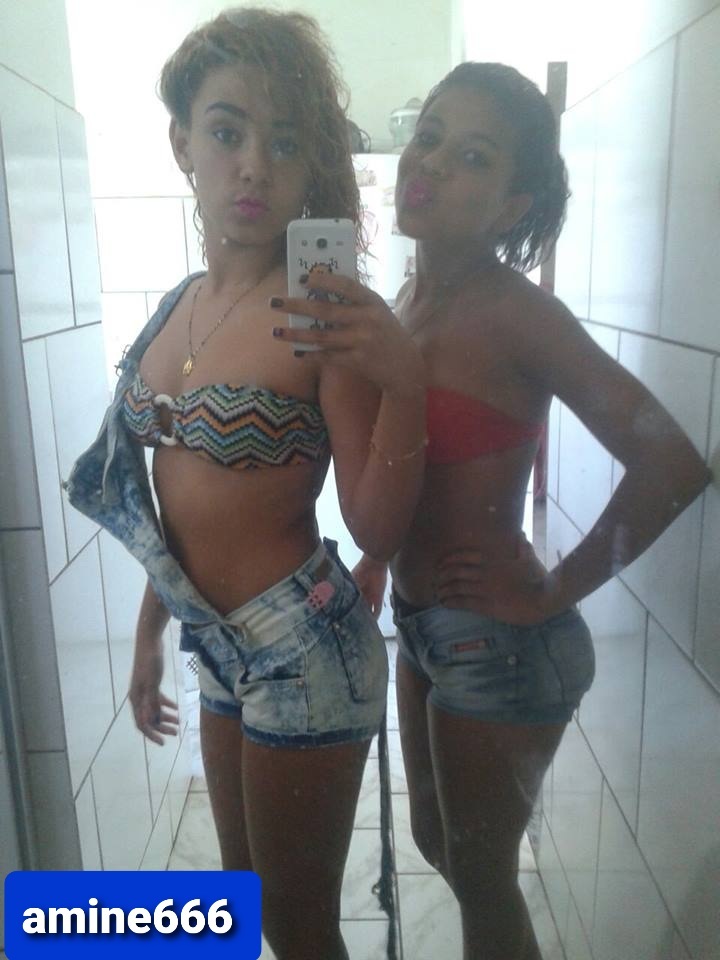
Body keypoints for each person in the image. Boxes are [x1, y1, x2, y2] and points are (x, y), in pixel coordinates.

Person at [67, 9, 426, 960]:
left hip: (305, 648)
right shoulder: (178, 308)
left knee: (298, 928)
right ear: (182, 143)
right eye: (227, 132)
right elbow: (175, 507)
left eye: (286, 142)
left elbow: (375, 525)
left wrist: (404, 384)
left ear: (312, 168)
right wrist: (150, 636)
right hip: (217, 645)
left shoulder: (321, 314)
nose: (254, 167)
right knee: (240, 900)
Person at [341, 63, 712, 960]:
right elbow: (412, 467)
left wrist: (556, 589)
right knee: (441, 846)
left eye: (473, 156)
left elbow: (672, 461)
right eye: (429, 136)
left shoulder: (519, 316)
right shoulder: (405, 305)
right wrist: (381, 556)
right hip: (425, 627)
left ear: (512, 207)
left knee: (483, 884)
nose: (432, 161)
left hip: (501, 643)